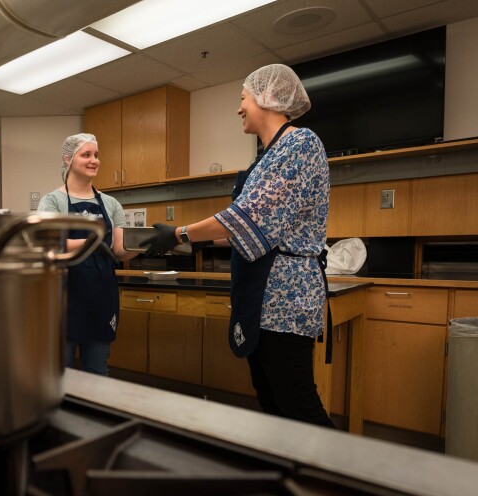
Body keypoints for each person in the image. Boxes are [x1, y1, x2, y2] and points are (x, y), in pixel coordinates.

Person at [141, 64, 334, 428]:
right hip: (262, 300)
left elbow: (248, 217)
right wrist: (192, 244)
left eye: (243, 98)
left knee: (298, 405)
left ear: (267, 98)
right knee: (271, 401)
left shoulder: (300, 144)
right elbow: (248, 228)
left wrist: (181, 233)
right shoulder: (263, 159)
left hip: (284, 301)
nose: (239, 108)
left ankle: (346, 477)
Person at [38, 133, 138, 376]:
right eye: (86, 155)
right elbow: (49, 245)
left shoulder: (111, 204)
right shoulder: (52, 202)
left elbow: (119, 251)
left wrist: (144, 244)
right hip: (64, 297)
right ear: (68, 159)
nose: (94, 160)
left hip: (101, 297)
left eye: (96, 155)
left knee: (97, 370)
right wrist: (94, 240)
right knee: (60, 372)